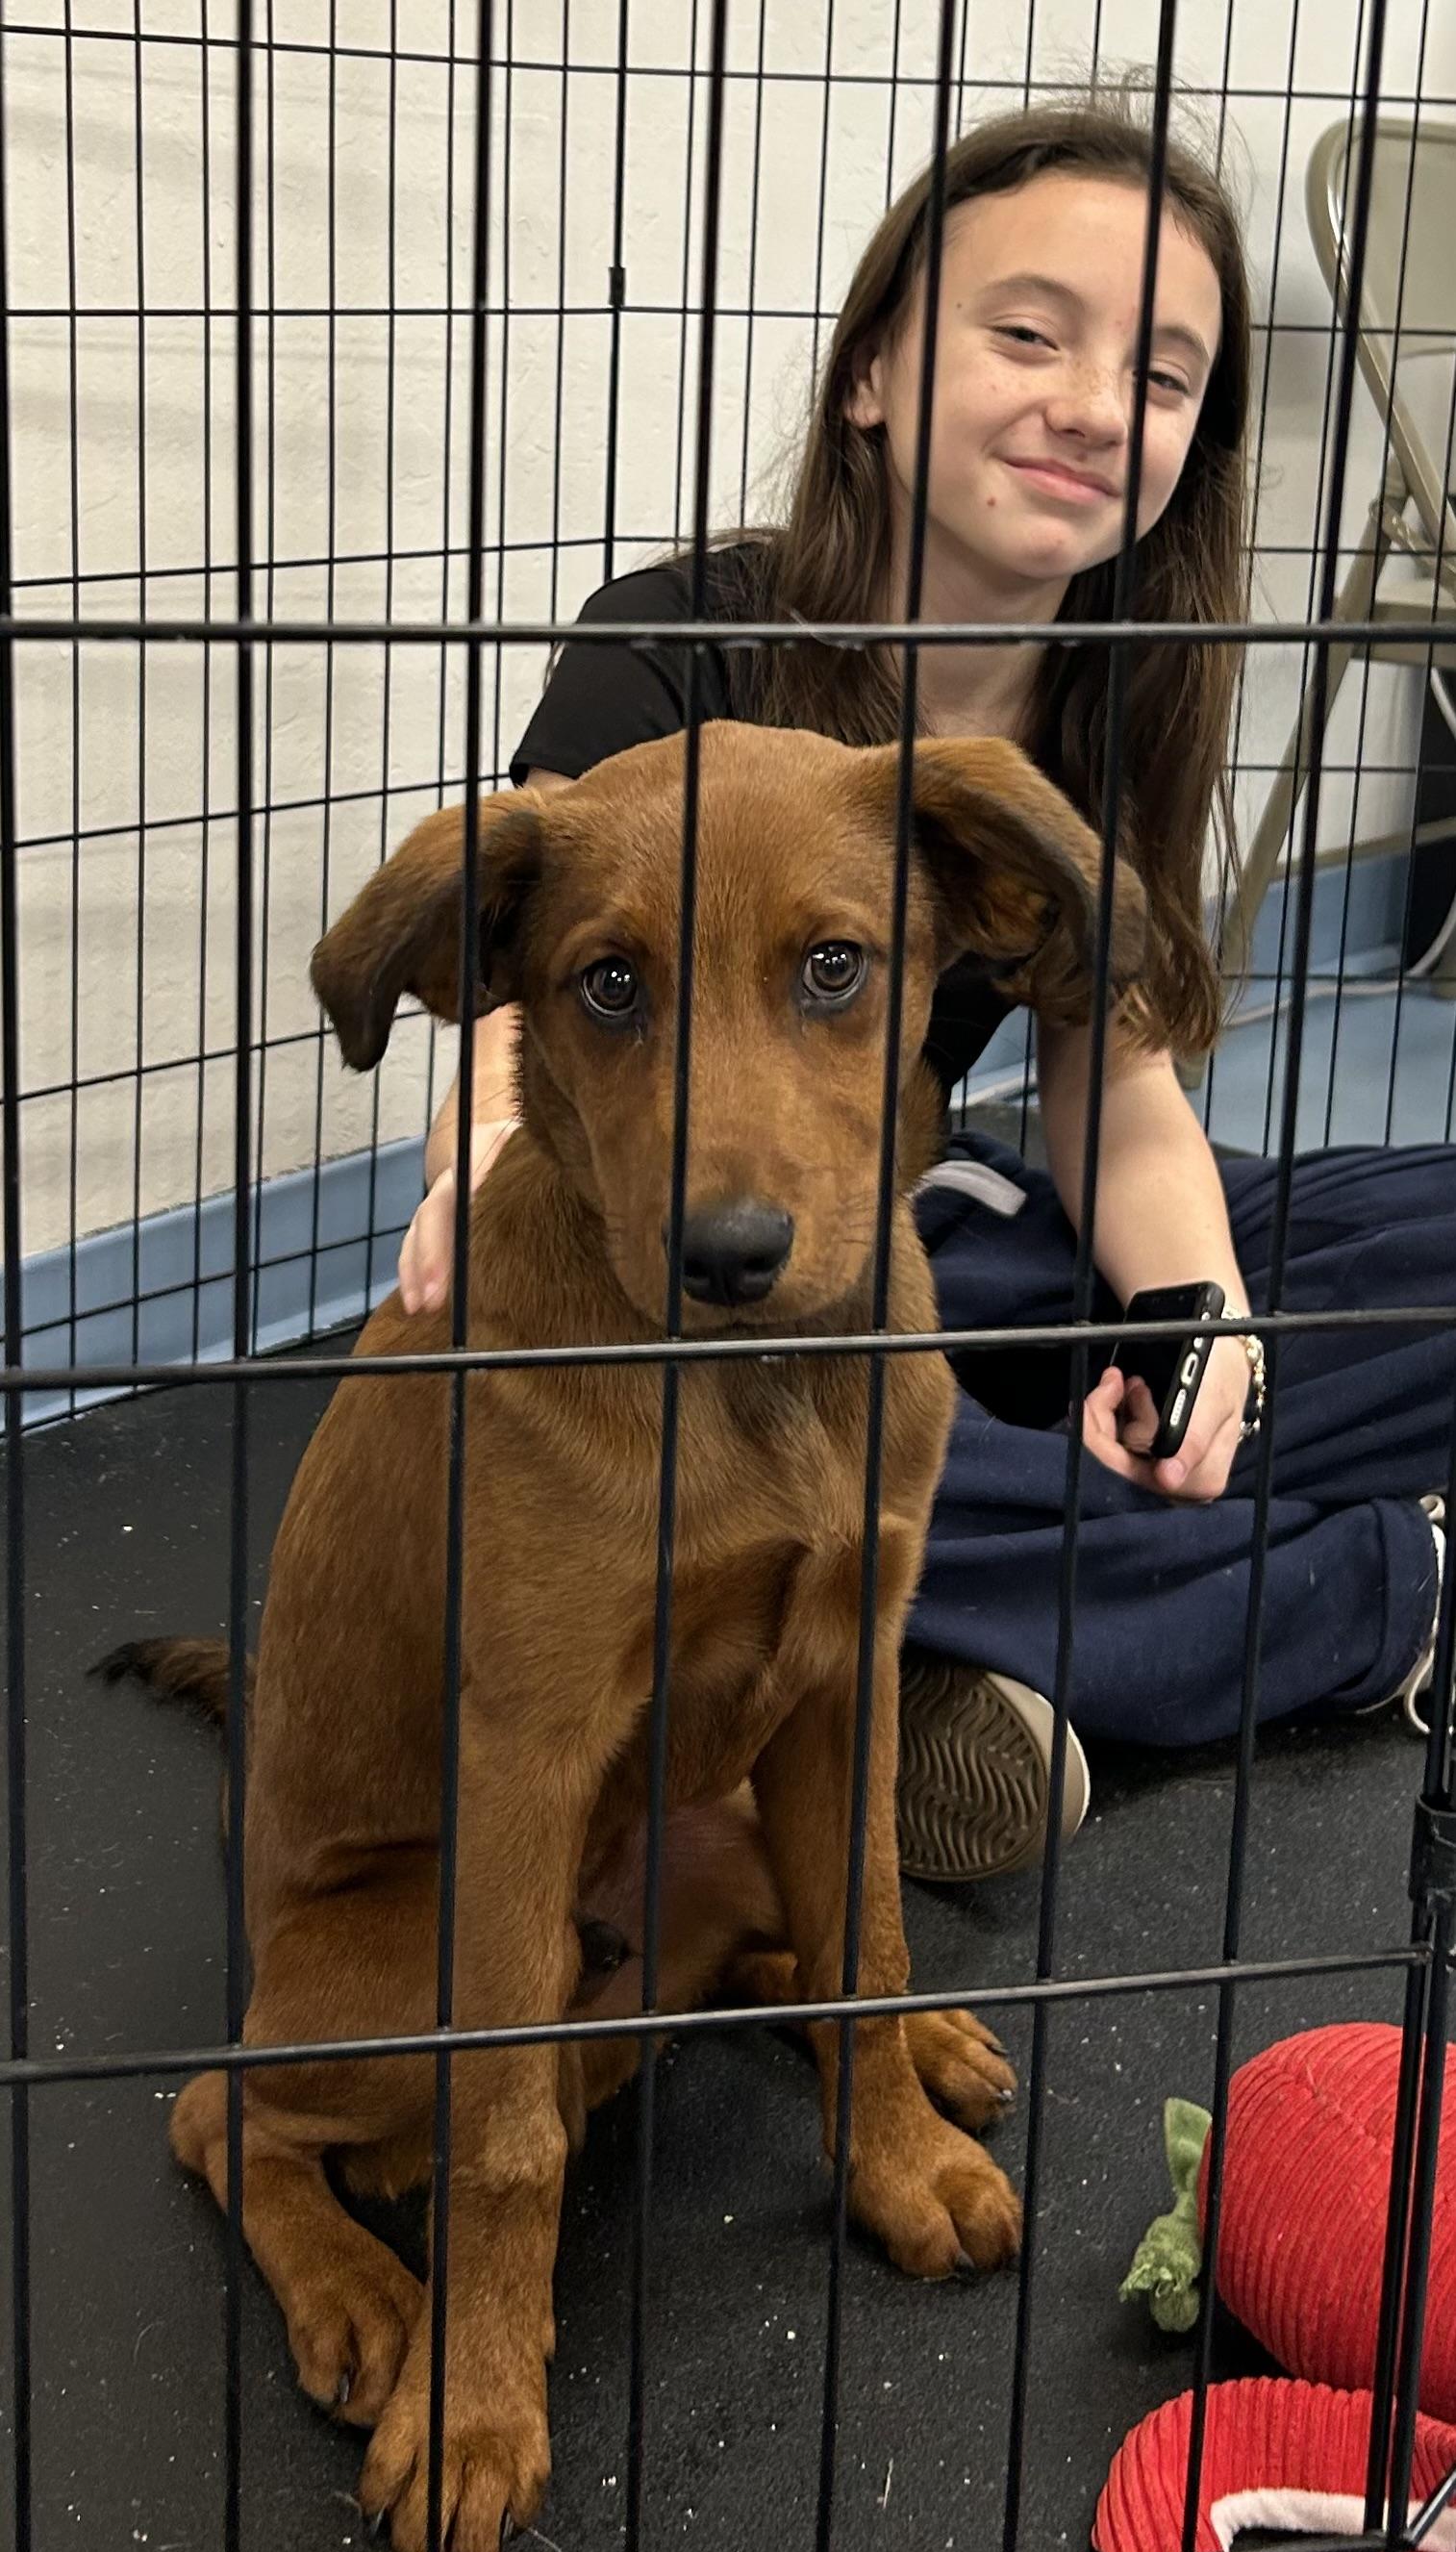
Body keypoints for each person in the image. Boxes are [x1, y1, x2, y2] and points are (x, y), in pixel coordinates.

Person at [395, 92, 1453, 1882]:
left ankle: (963, 1644)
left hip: (949, 1211)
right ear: (873, 373)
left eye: (1165, 375)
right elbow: (523, 1028)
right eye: (1028, 331)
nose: (1091, 402)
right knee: (760, 1450)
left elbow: (1112, 1095)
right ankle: (1383, 1587)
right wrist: (474, 1185)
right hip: (716, 1258)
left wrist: (1200, 1321)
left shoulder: (1115, 700)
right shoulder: (677, 646)